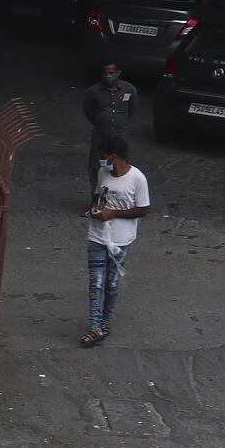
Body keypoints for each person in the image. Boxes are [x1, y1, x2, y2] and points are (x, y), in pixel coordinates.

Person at [82, 133, 150, 347]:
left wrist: (113, 214)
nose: (102, 162)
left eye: (104, 157)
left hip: (121, 240)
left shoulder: (137, 178)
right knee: (97, 282)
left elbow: (143, 209)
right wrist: (94, 210)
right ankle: (94, 327)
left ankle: (104, 321)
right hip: (97, 235)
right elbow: (98, 196)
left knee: (111, 283)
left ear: (114, 157)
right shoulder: (103, 173)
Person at [80, 62, 136, 198]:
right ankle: (97, 200)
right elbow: (88, 111)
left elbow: (133, 109)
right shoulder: (93, 91)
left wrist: (119, 122)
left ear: (118, 73)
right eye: (105, 73)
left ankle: (118, 198)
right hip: (101, 136)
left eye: (111, 73)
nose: (108, 76)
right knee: (97, 167)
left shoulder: (129, 90)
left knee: (120, 166)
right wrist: (101, 121)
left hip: (120, 136)